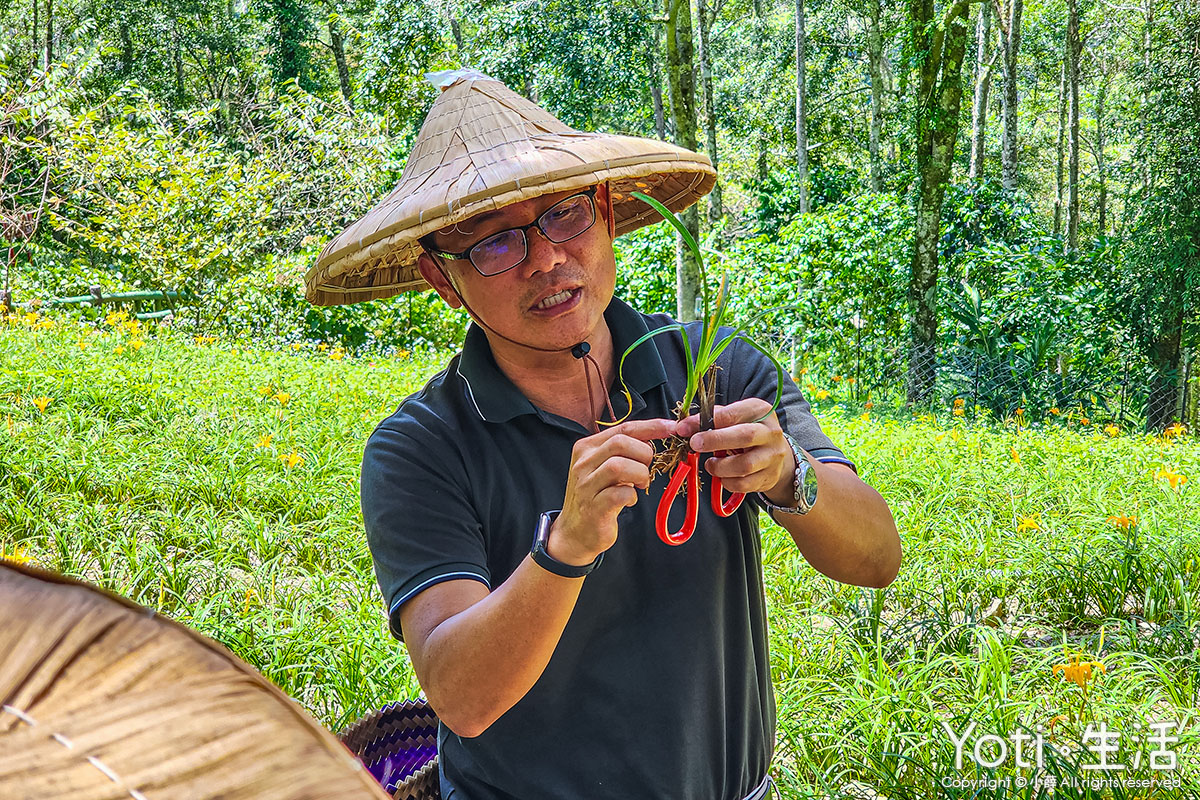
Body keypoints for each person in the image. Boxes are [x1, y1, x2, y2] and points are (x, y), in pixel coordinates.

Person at [306, 69, 901, 800]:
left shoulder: (714, 370)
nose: (547, 258)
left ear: (609, 213)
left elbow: (876, 557)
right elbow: (461, 697)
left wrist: (788, 478)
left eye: (564, 214)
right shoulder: (423, 446)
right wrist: (566, 545)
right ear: (440, 277)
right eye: (494, 244)